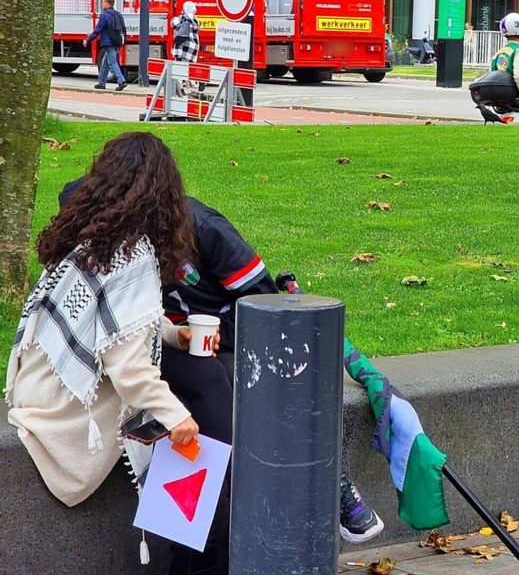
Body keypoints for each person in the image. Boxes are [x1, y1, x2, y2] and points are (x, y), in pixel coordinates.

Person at [57, 178, 386, 551]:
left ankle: (333, 487)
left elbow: (267, 310)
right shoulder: (106, 238)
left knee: (251, 380)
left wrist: (212, 335)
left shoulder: (204, 229)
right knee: (213, 382)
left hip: (228, 335)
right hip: (157, 344)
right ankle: (212, 552)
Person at [7, 132, 209, 575]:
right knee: (198, 405)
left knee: (196, 383)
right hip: (65, 412)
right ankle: (198, 564)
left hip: (36, 386)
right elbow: (128, 366)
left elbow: (114, 319)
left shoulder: (89, 235)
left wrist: (175, 335)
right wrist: (177, 418)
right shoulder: (132, 255)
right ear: (163, 195)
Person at [83, 0, 127, 91]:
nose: (102, 3)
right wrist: (123, 42)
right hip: (117, 41)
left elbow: (98, 29)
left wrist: (88, 40)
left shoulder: (104, 15)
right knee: (105, 63)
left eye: (103, 2)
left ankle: (121, 80)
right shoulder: (118, 14)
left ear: (107, 3)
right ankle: (102, 83)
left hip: (108, 42)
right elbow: (123, 29)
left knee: (112, 61)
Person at [171, 1, 201, 96]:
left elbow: (172, 24)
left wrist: (176, 17)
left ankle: (180, 88)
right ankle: (194, 86)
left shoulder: (183, 17)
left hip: (183, 47)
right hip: (193, 47)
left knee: (180, 67)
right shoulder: (196, 19)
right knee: (190, 68)